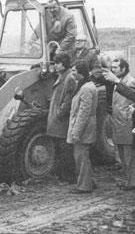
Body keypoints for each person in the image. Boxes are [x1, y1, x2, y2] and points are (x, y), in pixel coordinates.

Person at [44, 53, 77, 183]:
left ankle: (68, 177)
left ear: (63, 64)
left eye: (57, 63)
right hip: (57, 119)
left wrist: (59, 114)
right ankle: (62, 175)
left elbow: (68, 101)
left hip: (61, 121)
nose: (55, 65)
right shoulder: (62, 76)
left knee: (65, 150)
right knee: (60, 148)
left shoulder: (69, 78)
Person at [108, 59, 135, 190]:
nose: (113, 70)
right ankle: (128, 180)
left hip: (128, 123)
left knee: (129, 155)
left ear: (123, 69)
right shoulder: (118, 82)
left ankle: (133, 182)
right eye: (112, 67)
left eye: (115, 67)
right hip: (118, 123)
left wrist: (130, 111)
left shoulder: (131, 82)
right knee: (122, 154)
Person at [67, 61, 98, 194]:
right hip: (86, 126)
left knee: (81, 156)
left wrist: (76, 131)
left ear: (80, 72)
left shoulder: (85, 88)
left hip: (84, 128)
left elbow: (83, 113)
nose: (72, 73)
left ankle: (84, 186)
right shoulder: (86, 85)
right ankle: (90, 182)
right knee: (83, 155)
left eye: (74, 70)